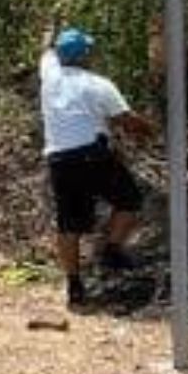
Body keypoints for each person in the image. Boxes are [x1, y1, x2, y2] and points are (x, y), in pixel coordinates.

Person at [39, 25, 155, 309]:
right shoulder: (98, 84)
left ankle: (74, 286)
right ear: (85, 55)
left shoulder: (49, 74)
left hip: (59, 160)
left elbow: (45, 51)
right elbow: (126, 120)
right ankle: (112, 250)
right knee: (129, 200)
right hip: (92, 154)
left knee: (69, 223)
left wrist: (49, 28)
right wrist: (151, 129)